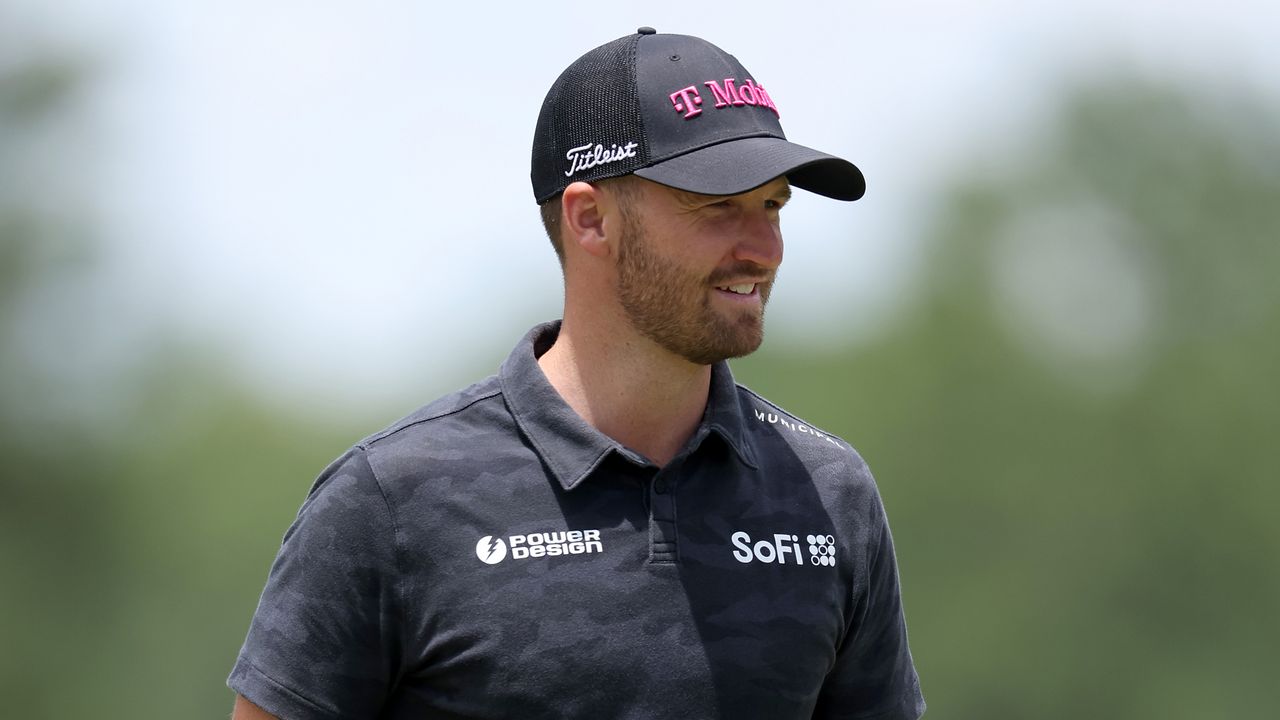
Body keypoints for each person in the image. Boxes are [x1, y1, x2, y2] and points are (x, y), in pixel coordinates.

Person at [228, 27, 925, 720]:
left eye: (773, 206)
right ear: (590, 219)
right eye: (718, 206)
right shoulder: (392, 502)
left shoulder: (829, 495)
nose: (764, 249)